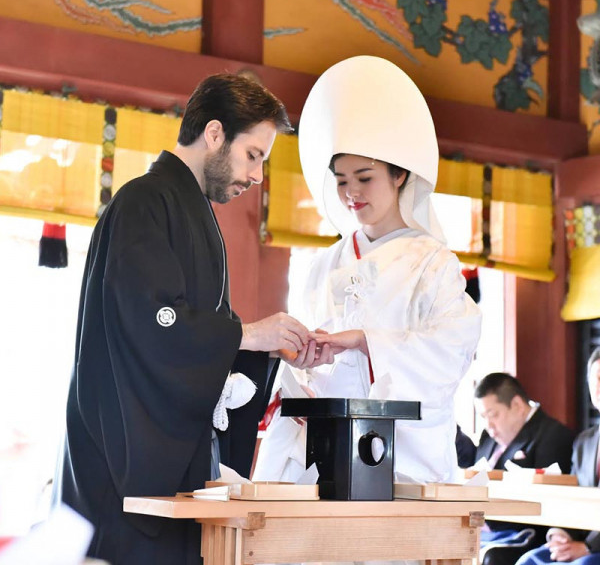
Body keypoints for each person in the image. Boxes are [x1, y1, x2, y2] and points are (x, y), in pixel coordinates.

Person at [54, 73, 327, 565]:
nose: (258, 175)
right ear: (216, 133)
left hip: (164, 467)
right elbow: (150, 322)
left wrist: (263, 345)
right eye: (254, 155)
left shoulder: (188, 209)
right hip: (121, 470)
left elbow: (191, 328)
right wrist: (245, 333)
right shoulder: (144, 201)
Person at [253, 55, 482, 486]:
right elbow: (304, 373)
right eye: (341, 180)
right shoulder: (323, 264)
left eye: (364, 178)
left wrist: (365, 342)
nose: (351, 194)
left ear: (399, 176)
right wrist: (304, 359)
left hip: (401, 460)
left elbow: (454, 349)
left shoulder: (432, 262)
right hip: (322, 453)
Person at [473, 372, 575, 565]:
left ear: (518, 405)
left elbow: (547, 503)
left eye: (493, 415)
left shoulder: (553, 436)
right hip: (479, 527)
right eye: (483, 417)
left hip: (524, 533)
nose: (488, 425)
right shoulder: (488, 438)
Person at [514, 348, 600, 565]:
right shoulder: (585, 441)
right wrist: (560, 533)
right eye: (594, 378)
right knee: (528, 560)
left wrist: (588, 547)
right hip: (581, 542)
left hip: (593, 548)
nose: (598, 386)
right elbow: (573, 498)